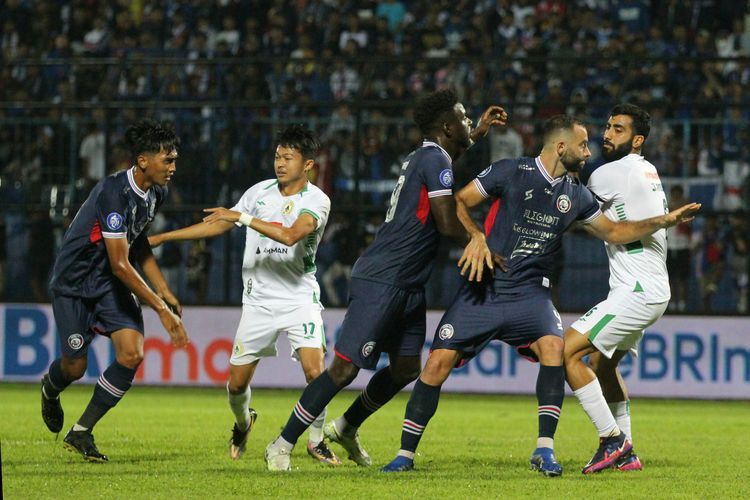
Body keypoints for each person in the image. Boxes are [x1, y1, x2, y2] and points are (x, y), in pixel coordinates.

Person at [381, 114, 700, 475]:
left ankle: (545, 450)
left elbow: (613, 231)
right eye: (582, 145)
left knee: (554, 348)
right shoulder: (510, 171)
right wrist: (476, 237)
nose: (588, 150)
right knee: (437, 363)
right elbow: (458, 201)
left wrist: (663, 221)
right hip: (485, 287)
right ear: (561, 147)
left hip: (531, 294)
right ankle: (404, 455)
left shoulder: (576, 195)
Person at [264, 89, 508, 471]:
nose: (467, 121)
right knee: (344, 370)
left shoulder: (428, 155)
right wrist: (478, 240)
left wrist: (476, 132)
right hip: (384, 278)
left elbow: (449, 159)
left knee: (407, 368)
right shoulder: (434, 159)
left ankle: (345, 426)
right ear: (446, 126)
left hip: (408, 284)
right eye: (463, 117)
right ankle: (282, 442)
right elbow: (446, 222)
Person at [148, 125, 340, 465]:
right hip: (259, 303)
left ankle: (316, 440)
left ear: (307, 164)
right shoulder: (259, 192)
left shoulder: (316, 200)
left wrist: (244, 217)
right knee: (236, 386)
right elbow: (219, 224)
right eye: (277, 156)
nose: (280, 163)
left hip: (299, 299)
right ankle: (243, 422)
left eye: (288, 158)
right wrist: (163, 239)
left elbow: (293, 235)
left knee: (316, 372)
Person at [40, 119, 189, 462]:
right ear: (143, 161)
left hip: (108, 283)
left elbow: (137, 247)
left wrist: (164, 290)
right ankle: (50, 388)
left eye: (175, 159)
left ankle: (81, 432)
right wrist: (161, 310)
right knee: (75, 368)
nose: (173, 168)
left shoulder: (157, 193)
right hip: (75, 284)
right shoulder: (113, 193)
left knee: (131, 353)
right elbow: (121, 263)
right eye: (168, 160)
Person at [563, 104, 700, 474]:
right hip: (649, 286)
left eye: (618, 129)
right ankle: (628, 453)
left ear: (637, 139)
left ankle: (613, 440)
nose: (607, 134)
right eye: (607, 127)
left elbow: (568, 200)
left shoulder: (612, 173)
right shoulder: (645, 169)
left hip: (637, 290)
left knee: (569, 352)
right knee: (602, 367)